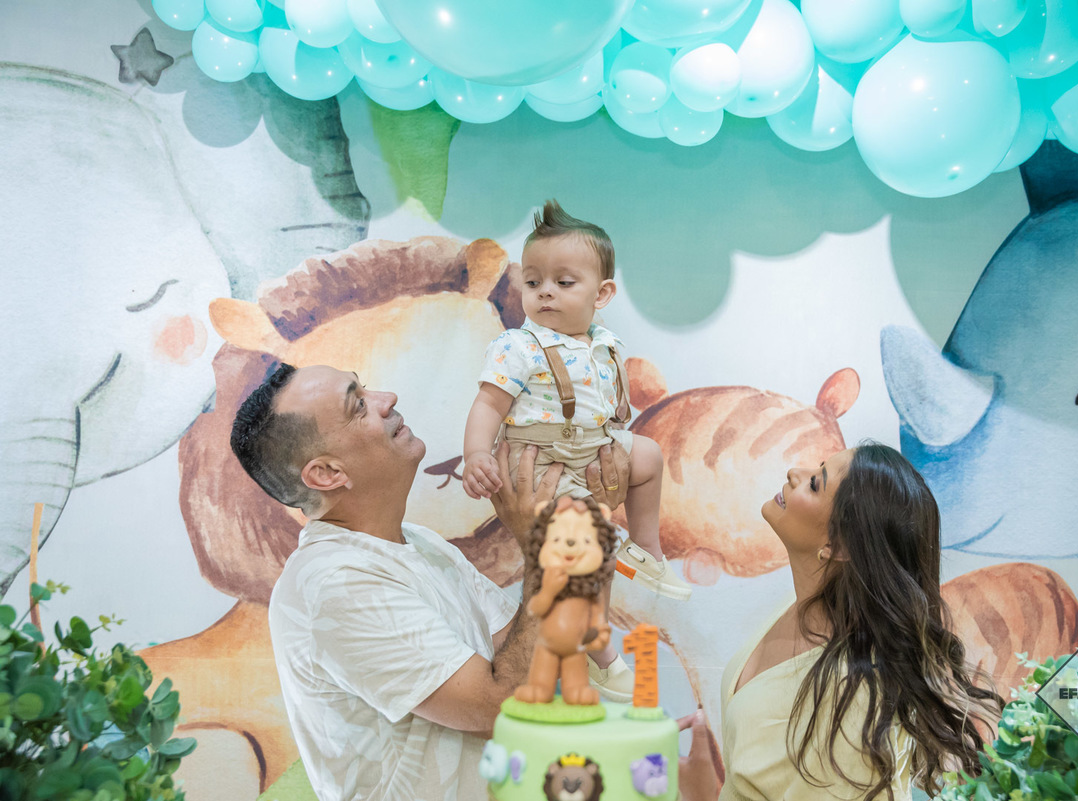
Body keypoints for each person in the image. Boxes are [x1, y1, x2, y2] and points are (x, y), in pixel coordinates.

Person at [229, 362, 628, 801]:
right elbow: (501, 705)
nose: (387, 399)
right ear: (326, 473)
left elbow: (538, 658)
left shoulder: (420, 543)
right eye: (358, 405)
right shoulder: (334, 583)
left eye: (366, 387)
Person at [678, 443, 1003, 801]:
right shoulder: (800, 607)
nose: (794, 473)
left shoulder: (854, 701)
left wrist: (700, 795)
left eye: (815, 483)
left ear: (840, 547)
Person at [462, 200, 690, 701]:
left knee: (649, 455)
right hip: (539, 459)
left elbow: (605, 405)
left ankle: (646, 547)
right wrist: (477, 453)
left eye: (564, 282)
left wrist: (615, 436)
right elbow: (488, 404)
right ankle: (597, 644)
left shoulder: (604, 343)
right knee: (588, 545)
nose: (545, 291)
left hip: (590, 448)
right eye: (533, 281)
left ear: (601, 293)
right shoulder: (517, 347)